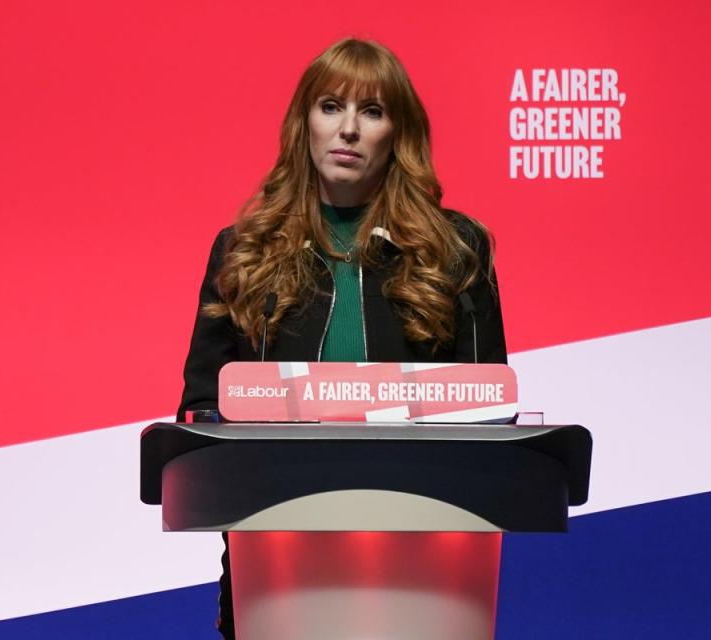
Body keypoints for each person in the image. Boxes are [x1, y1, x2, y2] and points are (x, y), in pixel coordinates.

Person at [175, 37, 507, 640]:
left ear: (397, 134)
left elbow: (487, 416)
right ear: (304, 122)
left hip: (422, 566)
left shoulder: (455, 250)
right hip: (279, 569)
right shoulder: (243, 253)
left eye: (372, 112)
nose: (349, 129)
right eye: (331, 106)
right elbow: (201, 413)